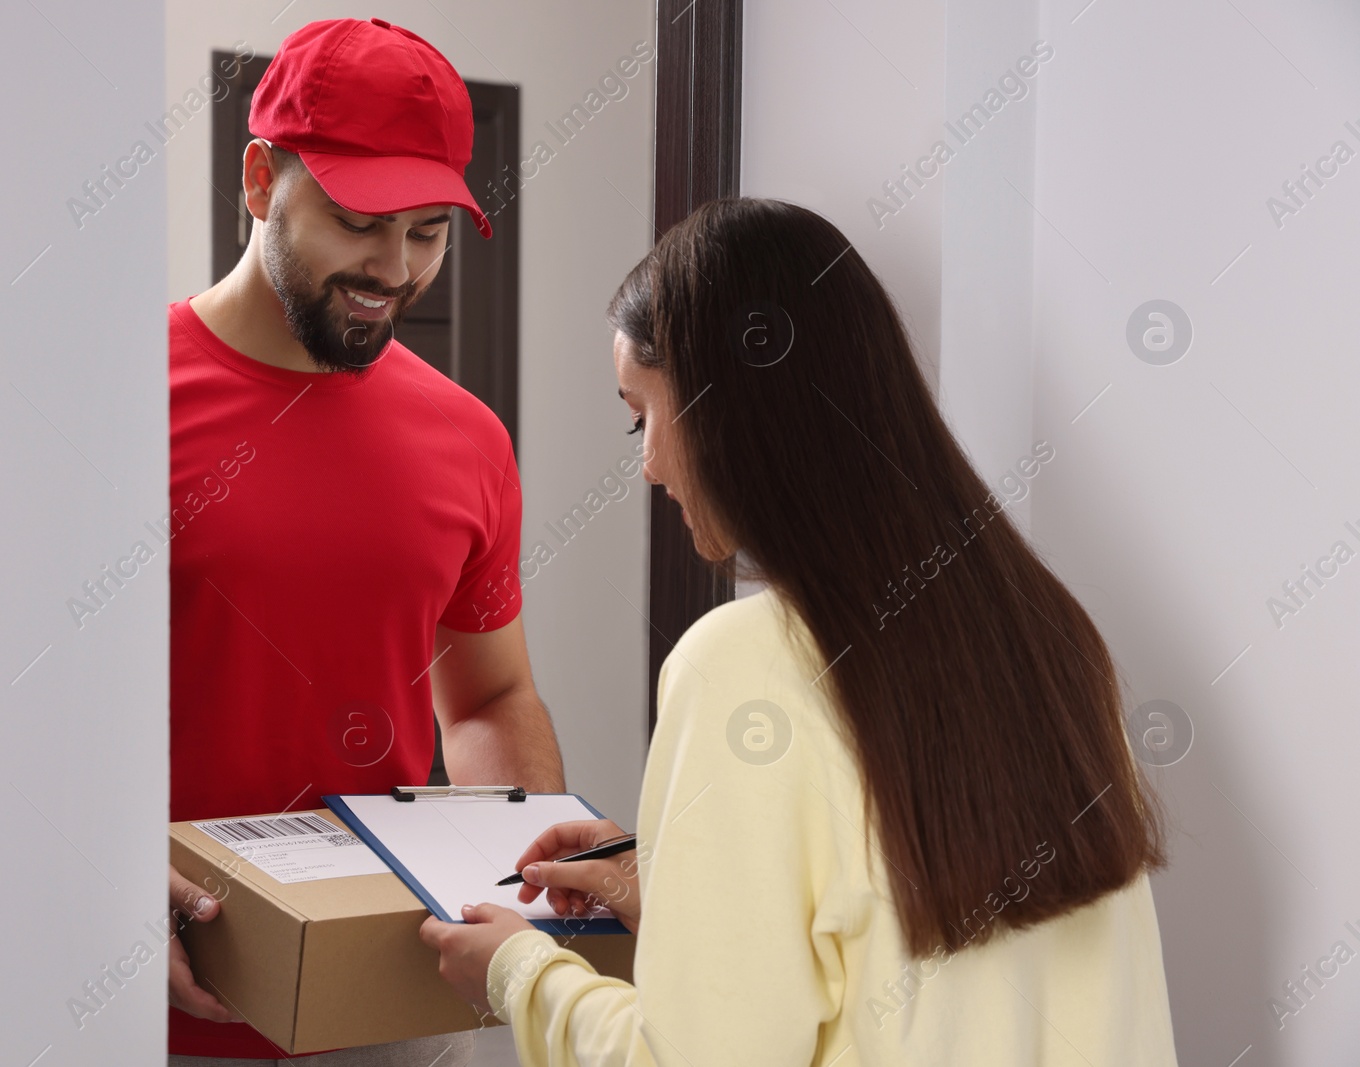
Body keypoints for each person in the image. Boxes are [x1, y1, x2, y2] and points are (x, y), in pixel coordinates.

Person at [420, 197, 1179, 1065]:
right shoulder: (1045, 633)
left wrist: (519, 974)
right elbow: (899, 937)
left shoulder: (740, 664)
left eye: (644, 415)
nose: (650, 463)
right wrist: (677, 890)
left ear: (732, 409)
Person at [166, 18, 565, 1066]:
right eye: (357, 222)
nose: (392, 269)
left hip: (385, 1001)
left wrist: (522, 873)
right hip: (143, 996)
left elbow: (486, 698)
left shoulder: (465, 437)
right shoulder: (118, 397)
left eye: (426, 232)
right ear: (259, 180)